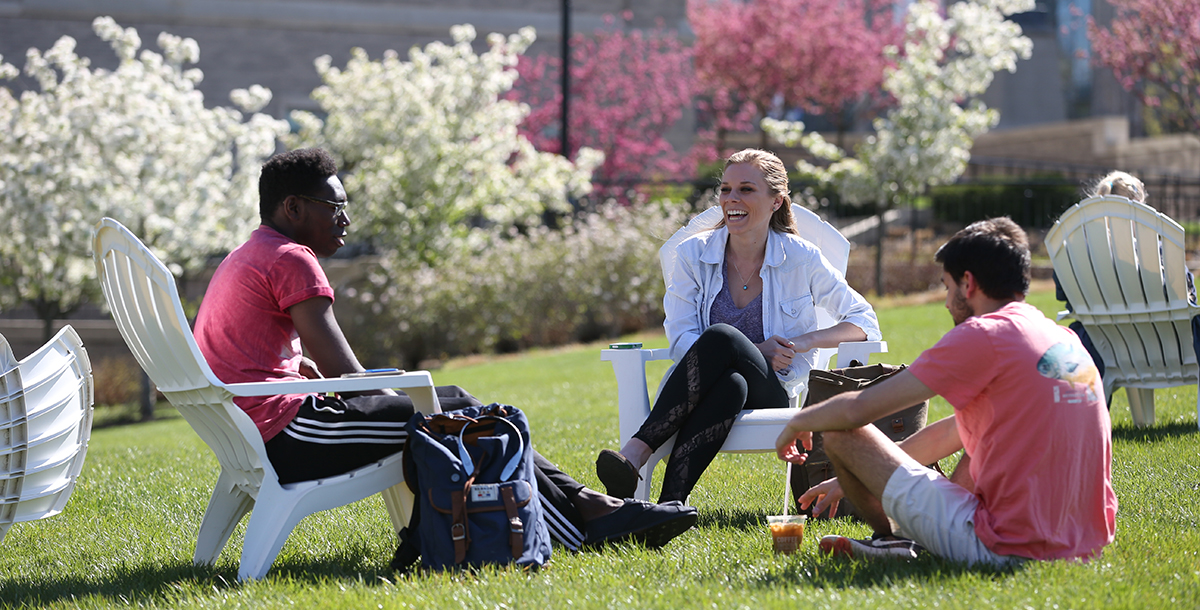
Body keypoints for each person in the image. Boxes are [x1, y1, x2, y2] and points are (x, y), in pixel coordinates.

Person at [192, 148, 697, 563]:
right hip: (294, 433)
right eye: (333, 205)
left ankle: (593, 505)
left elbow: (248, 351)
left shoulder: (248, 254)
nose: (345, 218)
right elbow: (346, 372)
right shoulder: (291, 258)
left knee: (454, 399)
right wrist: (406, 399)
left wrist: (293, 370)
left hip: (258, 425)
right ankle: (589, 519)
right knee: (465, 422)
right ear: (294, 208)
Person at [776, 217, 1117, 565]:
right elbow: (954, 432)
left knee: (839, 434)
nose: (945, 302)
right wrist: (853, 477)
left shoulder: (984, 334)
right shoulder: (1060, 337)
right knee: (979, 438)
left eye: (946, 287)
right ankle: (911, 539)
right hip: (1082, 544)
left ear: (967, 283)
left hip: (1007, 546)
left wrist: (800, 420)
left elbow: (857, 410)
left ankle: (889, 542)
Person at [594, 149, 881, 504]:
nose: (732, 199)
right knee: (731, 383)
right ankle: (670, 506)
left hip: (775, 388)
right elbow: (681, 338)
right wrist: (756, 350)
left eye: (746, 189)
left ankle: (636, 451)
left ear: (776, 202)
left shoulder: (801, 257)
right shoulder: (691, 255)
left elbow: (864, 321)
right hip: (700, 388)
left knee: (721, 336)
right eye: (726, 189)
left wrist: (803, 342)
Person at [1054, 170, 1198, 389]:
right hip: (1168, 348)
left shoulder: (1075, 253)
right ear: (1138, 208)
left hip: (1105, 348)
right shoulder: (1157, 250)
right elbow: (1186, 296)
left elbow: (1064, 296)